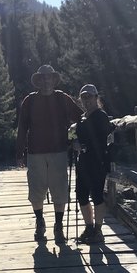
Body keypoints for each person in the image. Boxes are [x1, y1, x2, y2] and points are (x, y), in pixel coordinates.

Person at [16, 64, 83, 243]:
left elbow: (80, 119)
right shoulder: (29, 101)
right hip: (35, 151)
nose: (46, 81)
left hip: (59, 150)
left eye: (49, 78)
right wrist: (19, 152)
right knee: (36, 190)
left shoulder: (63, 98)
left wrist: (75, 138)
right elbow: (22, 127)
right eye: (43, 78)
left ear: (54, 80)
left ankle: (58, 226)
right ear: (38, 81)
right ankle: (40, 222)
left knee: (59, 189)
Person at [74, 84, 115, 244]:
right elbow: (78, 135)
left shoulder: (101, 116)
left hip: (97, 161)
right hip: (83, 161)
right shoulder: (83, 117)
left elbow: (101, 139)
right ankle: (89, 228)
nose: (86, 100)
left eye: (89, 97)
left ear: (96, 98)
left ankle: (98, 231)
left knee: (96, 195)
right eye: (83, 97)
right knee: (81, 194)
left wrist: (83, 144)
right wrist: (76, 142)